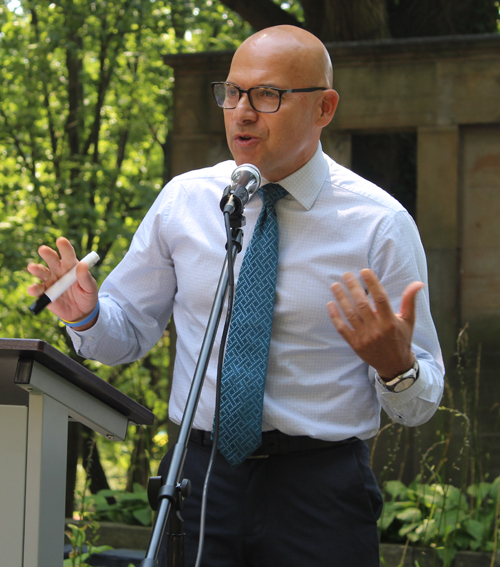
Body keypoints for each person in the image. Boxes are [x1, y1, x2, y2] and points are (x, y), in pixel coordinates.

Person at [28, 25, 444, 567]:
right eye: (232, 92)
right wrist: (86, 317)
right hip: (198, 480)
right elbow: (123, 336)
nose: (242, 112)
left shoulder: (378, 224)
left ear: (324, 107)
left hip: (319, 490)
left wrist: (396, 368)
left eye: (267, 95)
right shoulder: (186, 200)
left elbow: (420, 404)